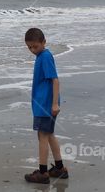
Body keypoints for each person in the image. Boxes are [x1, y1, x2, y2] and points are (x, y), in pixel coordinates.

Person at [24, 27, 68, 183]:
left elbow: (55, 80)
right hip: (43, 104)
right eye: (29, 47)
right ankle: (59, 168)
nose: (32, 50)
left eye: (35, 46)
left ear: (44, 42)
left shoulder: (45, 56)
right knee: (49, 135)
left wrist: (55, 104)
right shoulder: (41, 56)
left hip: (46, 105)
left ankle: (43, 172)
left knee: (42, 135)